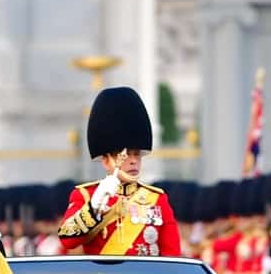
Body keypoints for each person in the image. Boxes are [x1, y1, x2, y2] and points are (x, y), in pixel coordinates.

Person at [58, 86, 182, 257]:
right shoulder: (86, 195)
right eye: (124, 155)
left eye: (136, 154)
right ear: (106, 161)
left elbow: (172, 257)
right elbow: (67, 240)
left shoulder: (157, 200)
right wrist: (94, 208)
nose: (133, 160)